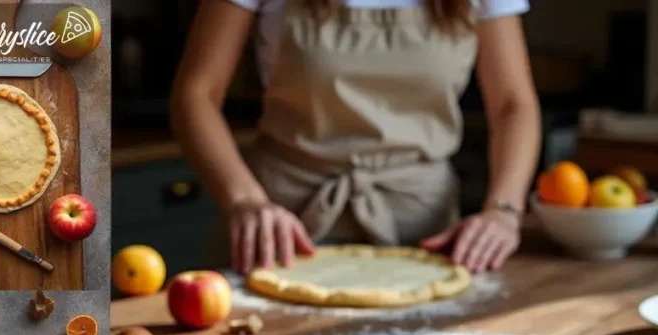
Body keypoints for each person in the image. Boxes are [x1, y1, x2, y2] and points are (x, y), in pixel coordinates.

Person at [171, 0, 540, 273]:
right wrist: (244, 201)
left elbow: (513, 104)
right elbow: (196, 94)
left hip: (423, 230)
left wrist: (504, 210)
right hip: (281, 228)